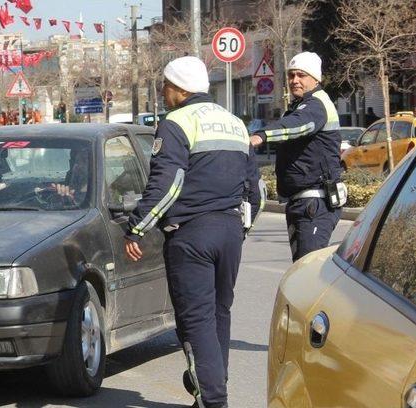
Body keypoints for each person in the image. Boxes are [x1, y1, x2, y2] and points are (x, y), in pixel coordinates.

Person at [124, 56, 262, 408]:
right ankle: (213, 386)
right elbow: (255, 190)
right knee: (220, 311)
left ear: (179, 89)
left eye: (164, 87)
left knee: (196, 319)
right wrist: (241, 226)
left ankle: (213, 399)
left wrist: (137, 227)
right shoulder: (234, 122)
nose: (163, 93)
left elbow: (167, 183)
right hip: (230, 229)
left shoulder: (176, 122)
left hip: (191, 234)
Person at [250, 51, 344, 262]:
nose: (295, 80)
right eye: (291, 75)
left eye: (301, 75)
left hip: (315, 202)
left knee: (307, 271)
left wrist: (261, 136)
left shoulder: (316, 105)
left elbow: (298, 126)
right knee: (301, 269)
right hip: (302, 202)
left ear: (315, 78)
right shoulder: (301, 105)